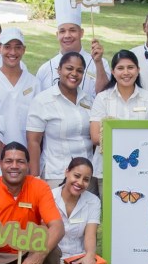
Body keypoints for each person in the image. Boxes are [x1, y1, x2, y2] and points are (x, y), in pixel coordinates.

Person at [26, 52, 97, 187]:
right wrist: (34, 179)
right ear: (59, 70)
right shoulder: (42, 101)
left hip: (87, 176)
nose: (74, 74)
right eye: (69, 68)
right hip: (56, 175)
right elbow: (33, 142)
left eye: (79, 71)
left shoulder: (89, 100)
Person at [49, 158, 103, 264]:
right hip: (57, 255)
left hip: (79, 253)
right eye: (76, 176)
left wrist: (90, 255)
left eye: (86, 179)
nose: (80, 182)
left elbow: (90, 234)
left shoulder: (93, 201)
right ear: (67, 172)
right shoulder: (49, 197)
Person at [89, 50, 148, 144]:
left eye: (130, 67)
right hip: (108, 153)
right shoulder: (102, 98)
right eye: (120, 68)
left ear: (138, 70)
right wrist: (135, 139)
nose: (126, 72)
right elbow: (95, 137)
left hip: (142, 152)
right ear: (113, 72)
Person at [37, 3, 106, 101]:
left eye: (72, 30)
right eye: (62, 31)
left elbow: (105, 97)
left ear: (81, 33)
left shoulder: (99, 64)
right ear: (57, 35)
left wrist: (98, 63)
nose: (67, 35)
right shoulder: (45, 69)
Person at [0, 28, 40, 143]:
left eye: (18, 47)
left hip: (25, 151)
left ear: (24, 50)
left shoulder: (34, 84)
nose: (13, 52)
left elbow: (39, 124)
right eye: (7, 47)